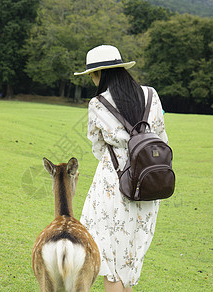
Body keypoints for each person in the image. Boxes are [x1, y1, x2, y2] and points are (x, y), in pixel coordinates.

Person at [74, 45, 169, 291]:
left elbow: (97, 147)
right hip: (148, 184)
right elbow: (161, 139)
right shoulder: (150, 95)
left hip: (113, 185)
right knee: (130, 257)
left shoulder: (98, 103)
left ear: (100, 74)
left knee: (111, 259)